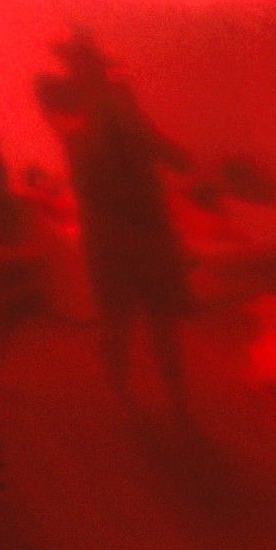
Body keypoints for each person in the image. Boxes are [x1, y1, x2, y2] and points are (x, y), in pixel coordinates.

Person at [33, 28, 193, 410]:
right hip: (115, 232)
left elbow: (166, 151)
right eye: (80, 57)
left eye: (91, 57)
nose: (88, 64)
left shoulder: (114, 102)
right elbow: (82, 141)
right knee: (120, 321)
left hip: (143, 228)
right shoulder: (67, 98)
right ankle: (126, 395)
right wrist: (107, 94)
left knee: (156, 320)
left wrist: (122, 103)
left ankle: (171, 397)